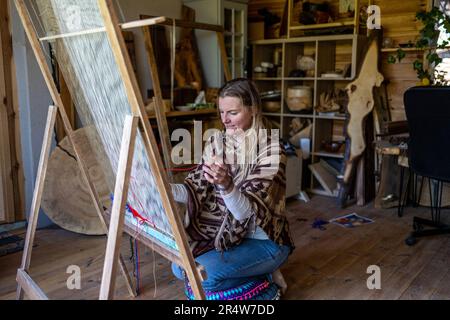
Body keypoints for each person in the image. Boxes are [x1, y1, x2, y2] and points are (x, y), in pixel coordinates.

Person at [170, 78, 294, 299]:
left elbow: (245, 214)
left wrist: (226, 185)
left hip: (265, 242)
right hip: (225, 235)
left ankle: (267, 286)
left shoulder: (272, 151)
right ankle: (258, 272)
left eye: (233, 113)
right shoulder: (217, 143)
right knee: (179, 267)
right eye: (221, 112)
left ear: (253, 109)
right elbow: (192, 190)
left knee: (203, 277)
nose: (225, 120)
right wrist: (158, 187)